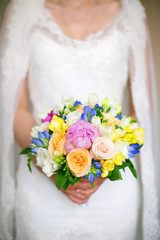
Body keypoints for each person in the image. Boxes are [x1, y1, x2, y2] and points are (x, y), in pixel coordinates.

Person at [0, 0, 159, 239]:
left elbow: (142, 110)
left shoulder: (130, 13)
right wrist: (51, 168)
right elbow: (14, 105)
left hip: (113, 191)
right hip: (41, 188)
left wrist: (104, 169)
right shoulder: (24, 10)